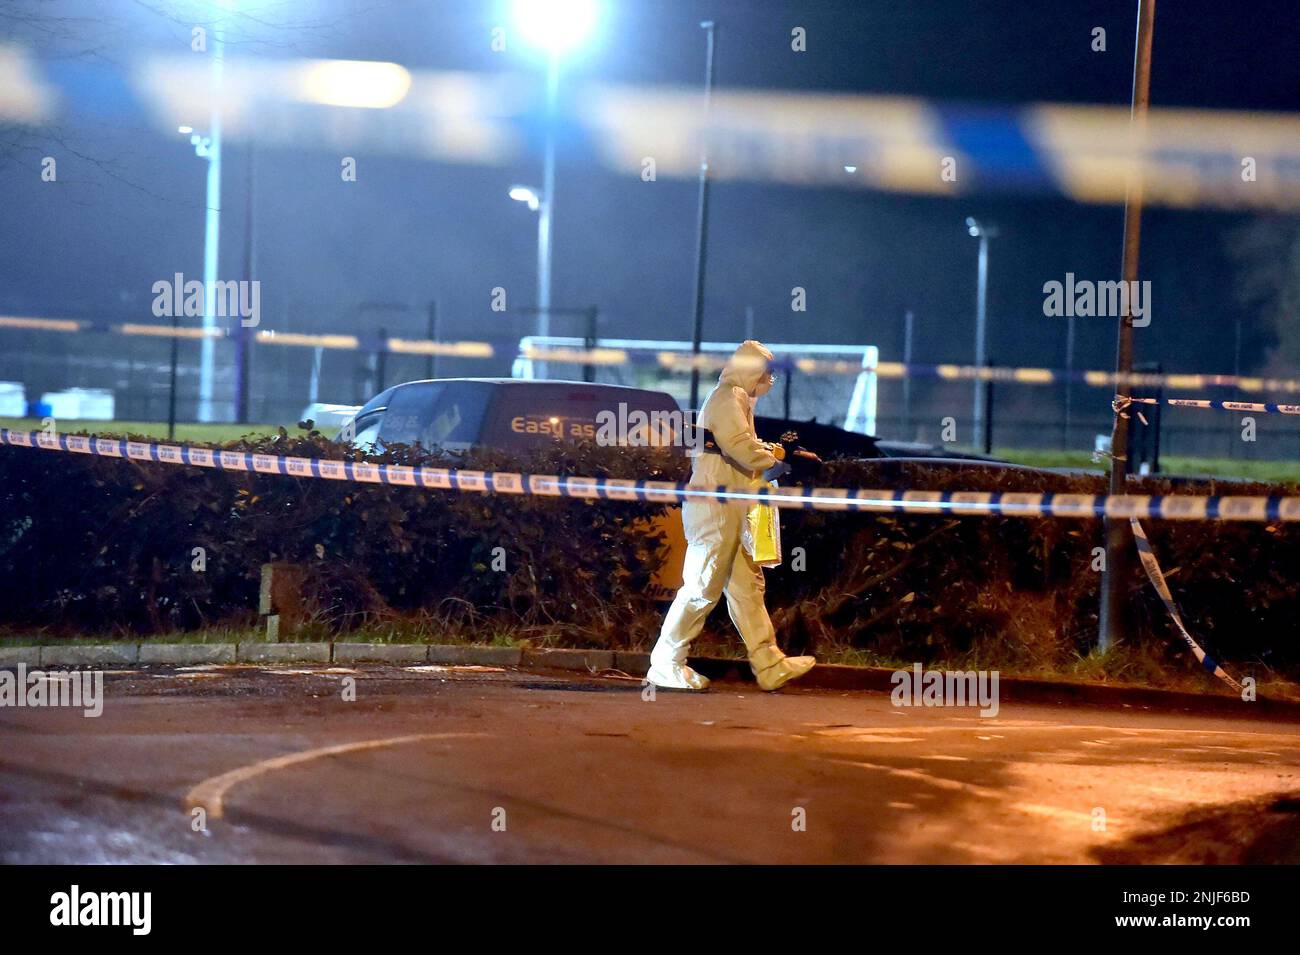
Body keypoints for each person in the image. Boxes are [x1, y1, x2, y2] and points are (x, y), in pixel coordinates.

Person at [645, 340, 816, 692]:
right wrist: (780, 461)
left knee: (747, 589)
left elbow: (737, 444)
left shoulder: (734, 399)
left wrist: (778, 451)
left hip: (731, 507)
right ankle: (665, 662)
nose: (769, 381)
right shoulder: (727, 397)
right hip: (716, 508)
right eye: (766, 374)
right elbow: (740, 446)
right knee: (701, 587)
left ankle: (769, 663)